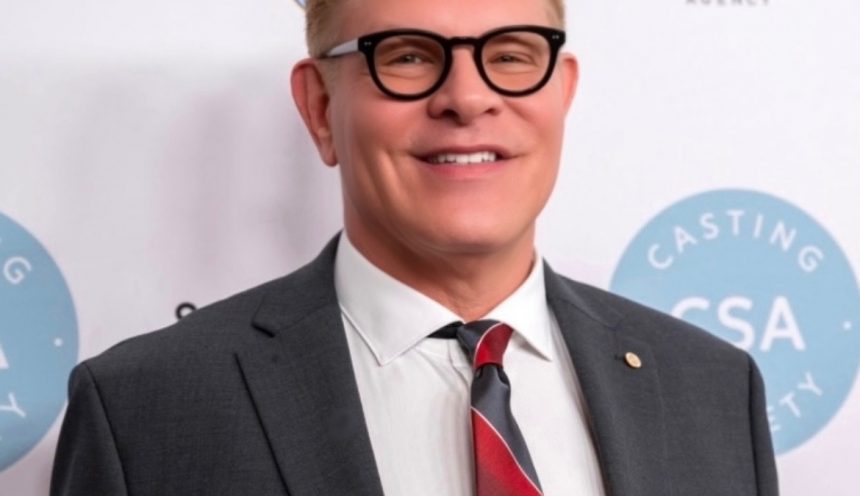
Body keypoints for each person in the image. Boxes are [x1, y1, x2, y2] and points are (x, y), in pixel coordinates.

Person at [50, 0, 779, 494]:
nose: (467, 97)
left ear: (562, 93)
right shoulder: (143, 410)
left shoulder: (714, 390)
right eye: (405, 56)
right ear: (320, 109)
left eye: (512, 54)